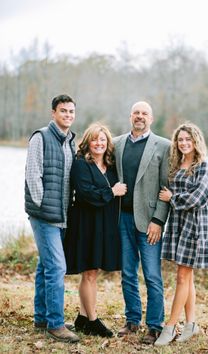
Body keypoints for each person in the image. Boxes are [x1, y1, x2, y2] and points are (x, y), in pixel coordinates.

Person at [113, 101, 170, 344]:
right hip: (122, 219)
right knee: (127, 273)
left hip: (149, 223)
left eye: (144, 113)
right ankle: (132, 320)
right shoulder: (117, 143)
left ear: (151, 118)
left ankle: (155, 326)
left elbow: (166, 186)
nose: (139, 116)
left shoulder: (164, 146)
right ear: (130, 117)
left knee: (152, 275)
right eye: (136, 113)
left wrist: (158, 219)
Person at [63, 122, 127, 338]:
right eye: (94, 139)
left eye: (103, 139)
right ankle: (93, 321)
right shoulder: (81, 164)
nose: (99, 143)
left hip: (105, 225)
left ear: (107, 143)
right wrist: (112, 191)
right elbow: (86, 194)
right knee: (89, 272)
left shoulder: (111, 166)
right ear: (87, 142)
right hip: (86, 224)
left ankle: (82, 317)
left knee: (93, 272)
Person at [24, 94, 80, 343]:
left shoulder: (71, 142)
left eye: (71, 111)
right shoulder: (41, 137)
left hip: (63, 215)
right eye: (63, 111)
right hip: (45, 215)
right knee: (58, 267)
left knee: (45, 267)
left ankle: (42, 317)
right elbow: (32, 174)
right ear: (53, 113)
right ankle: (56, 324)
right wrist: (41, 206)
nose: (68, 115)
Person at [155, 122, 208, 346]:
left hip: (194, 225)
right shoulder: (176, 165)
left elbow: (198, 198)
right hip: (177, 223)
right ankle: (191, 325)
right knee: (186, 277)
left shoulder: (204, 167)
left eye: (188, 139)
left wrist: (173, 199)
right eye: (180, 140)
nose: (184, 143)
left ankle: (170, 327)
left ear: (196, 141)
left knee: (182, 277)